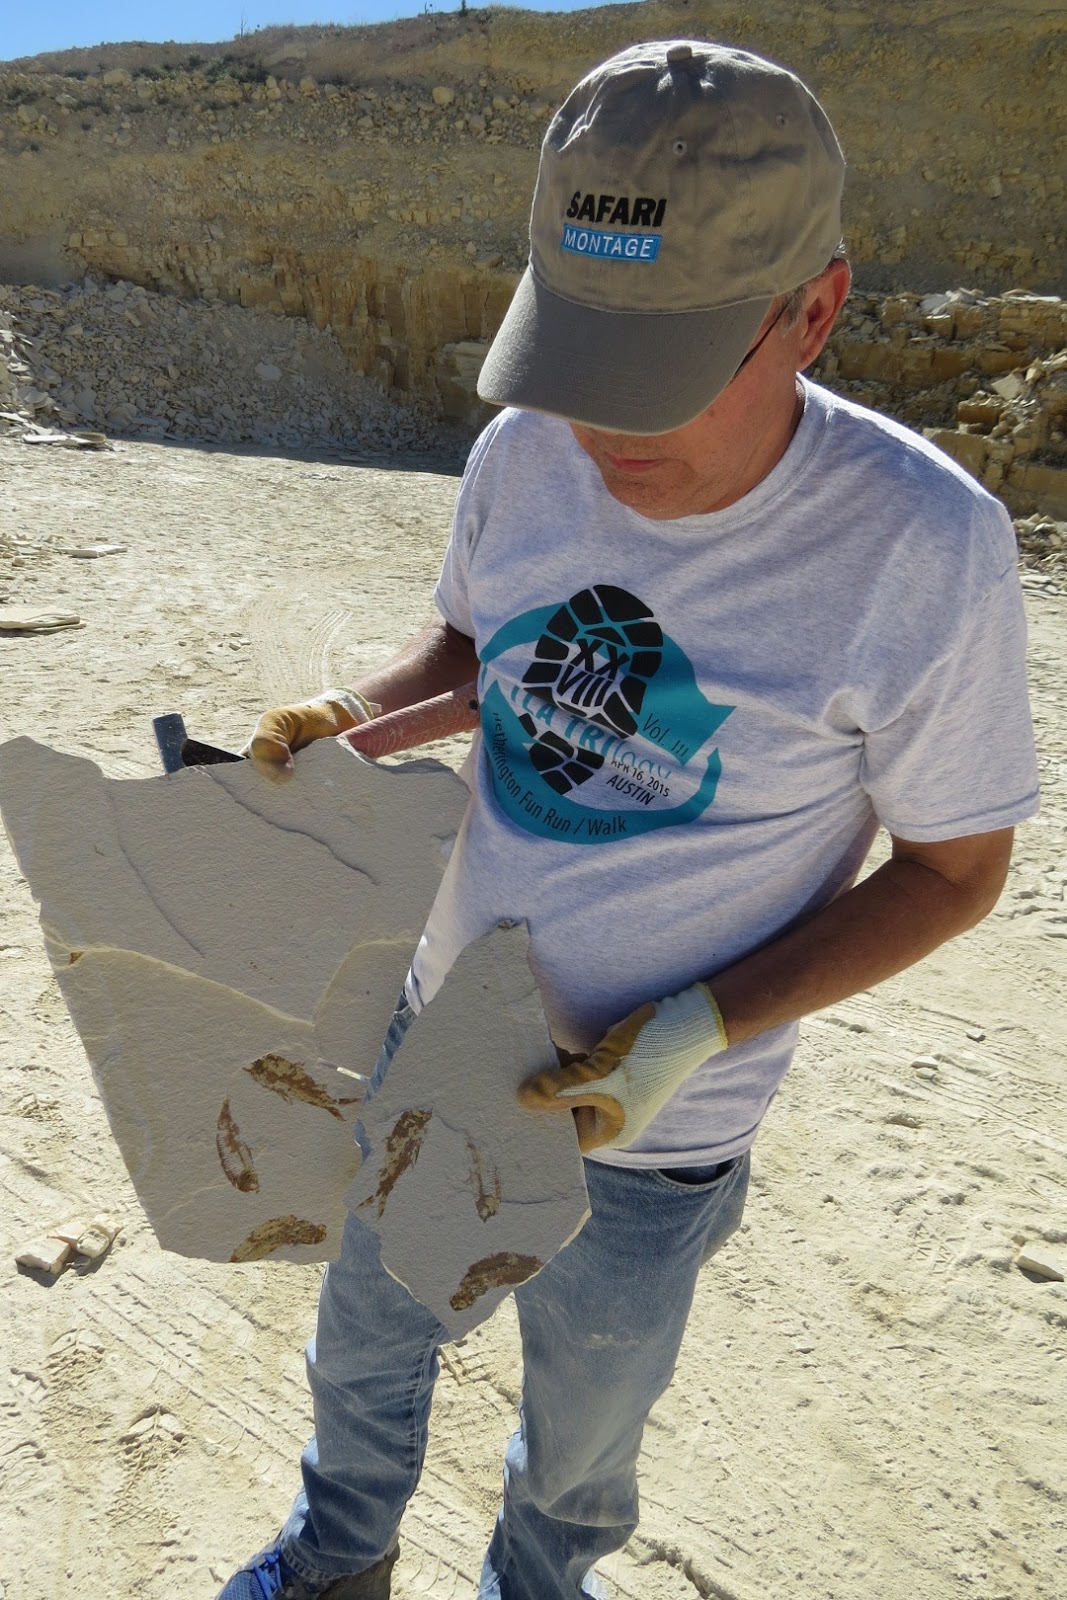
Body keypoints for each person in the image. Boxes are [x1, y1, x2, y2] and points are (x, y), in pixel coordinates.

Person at [219, 38, 1039, 1600]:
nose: (601, 429)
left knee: (582, 1434)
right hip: (442, 1025)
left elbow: (953, 869)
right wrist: (355, 717)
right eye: (580, 358)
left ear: (814, 309)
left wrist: (696, 1028)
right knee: (369, 1336)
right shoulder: (525, 445)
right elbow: (484, 651)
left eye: (659, 371)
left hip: (658, 1135)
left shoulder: (924, 548)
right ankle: (334, 1560)